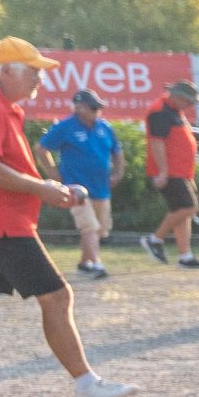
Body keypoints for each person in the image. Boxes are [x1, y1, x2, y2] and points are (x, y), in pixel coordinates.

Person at [0, 38, 136, 397]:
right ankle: (86, 383)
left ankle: (87, 383)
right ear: (6, 71)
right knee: (56, 296)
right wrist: (42, 187)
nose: (41, 80)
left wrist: (48, 187)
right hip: (0, 220)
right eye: (34, 71)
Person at [37, 90, 123, 277]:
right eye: (93, 107)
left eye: (97, 107)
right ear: (79, 108)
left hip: (101, 187)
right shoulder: (66, 127)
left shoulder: (105, 127)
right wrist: (53, 174)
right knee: (89, 226)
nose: (96, 111)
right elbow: (41, 148)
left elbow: (117, 151)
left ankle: (85, 263)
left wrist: (118, 172)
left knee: (100, 228)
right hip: (76, 188)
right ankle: (97, 264)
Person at [139, 79, 199, 269]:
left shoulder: (174, 111)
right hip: (171, 172)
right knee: (189, 208)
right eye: (189, 101)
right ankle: (155, 239)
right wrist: (163, 171)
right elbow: (156, 142)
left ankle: (185, 257)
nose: (191, 105)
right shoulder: (159, 111)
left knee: (181, 213)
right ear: (178, 97)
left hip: (181, 171)